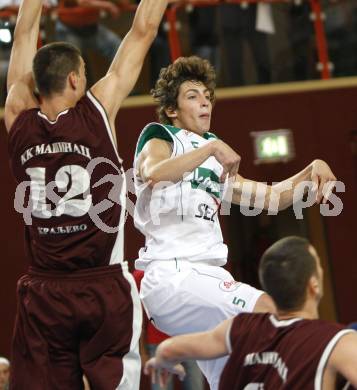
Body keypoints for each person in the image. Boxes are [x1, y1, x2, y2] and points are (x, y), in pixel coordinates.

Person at [133, 55, 337, 389]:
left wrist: (311, 168)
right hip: (174, 275)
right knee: (273, 308)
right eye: (193, 95)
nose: (205, 102)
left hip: (205, 279)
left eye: (207, 96)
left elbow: (270, 198)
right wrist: (211, 147)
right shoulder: (162, 140)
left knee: (233, 378)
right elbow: (154, 173)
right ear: (172, 109)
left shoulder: (213, 157)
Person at [4, 0, 177, 388]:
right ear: (74, 81)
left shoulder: (17, 113)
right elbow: (143, 31)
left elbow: (23, 34)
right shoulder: (96, 111)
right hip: (102, 285)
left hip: (44, 289)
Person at [144, 236, 357, 390]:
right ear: (314, 286)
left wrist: (162, 361)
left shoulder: (236, 328)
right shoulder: (339, 342)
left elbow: (168, 350)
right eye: (318, 265)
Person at [133, 270, 204, 390]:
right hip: (158, 343)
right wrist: (142, 351)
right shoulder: (142, 274)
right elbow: (138, 316)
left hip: (190, 341)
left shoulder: (190, 266)